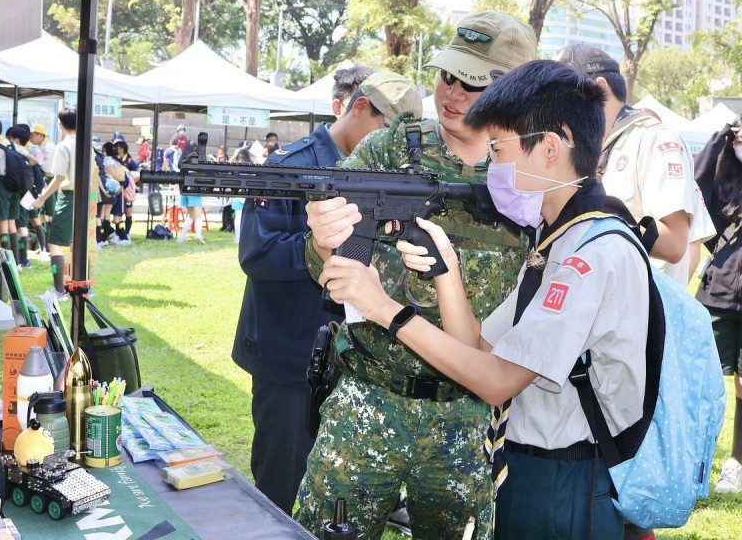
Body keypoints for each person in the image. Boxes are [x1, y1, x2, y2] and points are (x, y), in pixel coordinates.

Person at [318, 60, 648, 540]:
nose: (492, 166)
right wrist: (446, 271)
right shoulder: (557, 240)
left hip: (573, 477)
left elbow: (496, 382)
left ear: (551, 147)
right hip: (529, 465)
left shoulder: (590, 254)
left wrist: (385, 309)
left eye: (499, 149)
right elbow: (479, 347)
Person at [295, 11, 537, 540]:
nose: (451, 92)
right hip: (366, 399)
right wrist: (323, 241)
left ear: (511, 92)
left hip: (462, 418)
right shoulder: (388, 148)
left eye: (471, 83)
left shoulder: (528, 179)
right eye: (447, 75)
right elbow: (329, 269)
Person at [233, 71, 423, 515]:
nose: (390, 147)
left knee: (341, 495)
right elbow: (257, 254)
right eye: (384, 129)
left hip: (357, 360)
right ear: (359, 107)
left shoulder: (386, 172)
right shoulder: (289, 166)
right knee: (283, 488)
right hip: (291, 357)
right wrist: (319, 250)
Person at [554, 45, 699, 287]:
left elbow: (675, 244)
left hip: (642, 310)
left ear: (601, 87)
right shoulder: (586, 144)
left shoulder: (654, 139)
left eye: (567, 94)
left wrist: (589, 217)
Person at [694, 119, 742, 494]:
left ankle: (736, 463)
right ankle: (693, 460)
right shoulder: (724, 176)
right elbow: (693, 186)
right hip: (719, 292)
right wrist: (719, 142)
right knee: (701, 379)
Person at [33, 108, 77, 296]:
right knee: (78, 243)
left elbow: (58, 177)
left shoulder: (63, 145)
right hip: (86, 197)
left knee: (55, 242)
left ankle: (59, 291)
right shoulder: (86, 144)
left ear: (61, 125)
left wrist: (42, 198)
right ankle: (80, 286)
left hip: (68, 196)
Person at [0, 118, 37, 265]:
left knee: (2, 221)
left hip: (3, 183)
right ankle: (17, 261)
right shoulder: (11, 143)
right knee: (12, 222)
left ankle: (5, 261)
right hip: (17, 186)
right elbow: (32, 160)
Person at [29, 123, 56, 240]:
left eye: (32, 135)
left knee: (50, 210)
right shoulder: (43, 146)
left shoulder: (46, 148)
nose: (30, 138)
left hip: (48, 179)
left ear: (40, 135)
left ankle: (50, 238)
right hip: (47, 179)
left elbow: (43, 166)